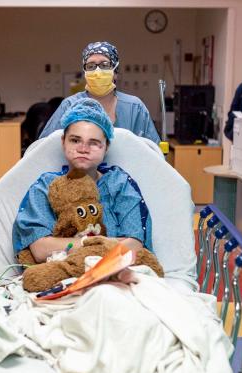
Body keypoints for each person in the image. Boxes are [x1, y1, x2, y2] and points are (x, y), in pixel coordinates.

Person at [15, 98, 152, 264]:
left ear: (106, 147)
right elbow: (40, 249)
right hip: (62, 279)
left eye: (93, 143)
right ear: (63, 142)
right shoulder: (46, 186)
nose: (83, 149)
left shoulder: (119, 185)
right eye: (75, 140)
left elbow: (134, 245)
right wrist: (99, 243)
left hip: (112, 275)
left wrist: (68, 246)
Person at [39, 41, 161, 145]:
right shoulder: (70, 105)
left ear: (115, 72)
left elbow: (153, 154)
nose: (98, 71)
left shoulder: (134, 108)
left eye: (105, 65)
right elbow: (45, 148)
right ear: (85, 72)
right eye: (91, 66)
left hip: (128, 171)